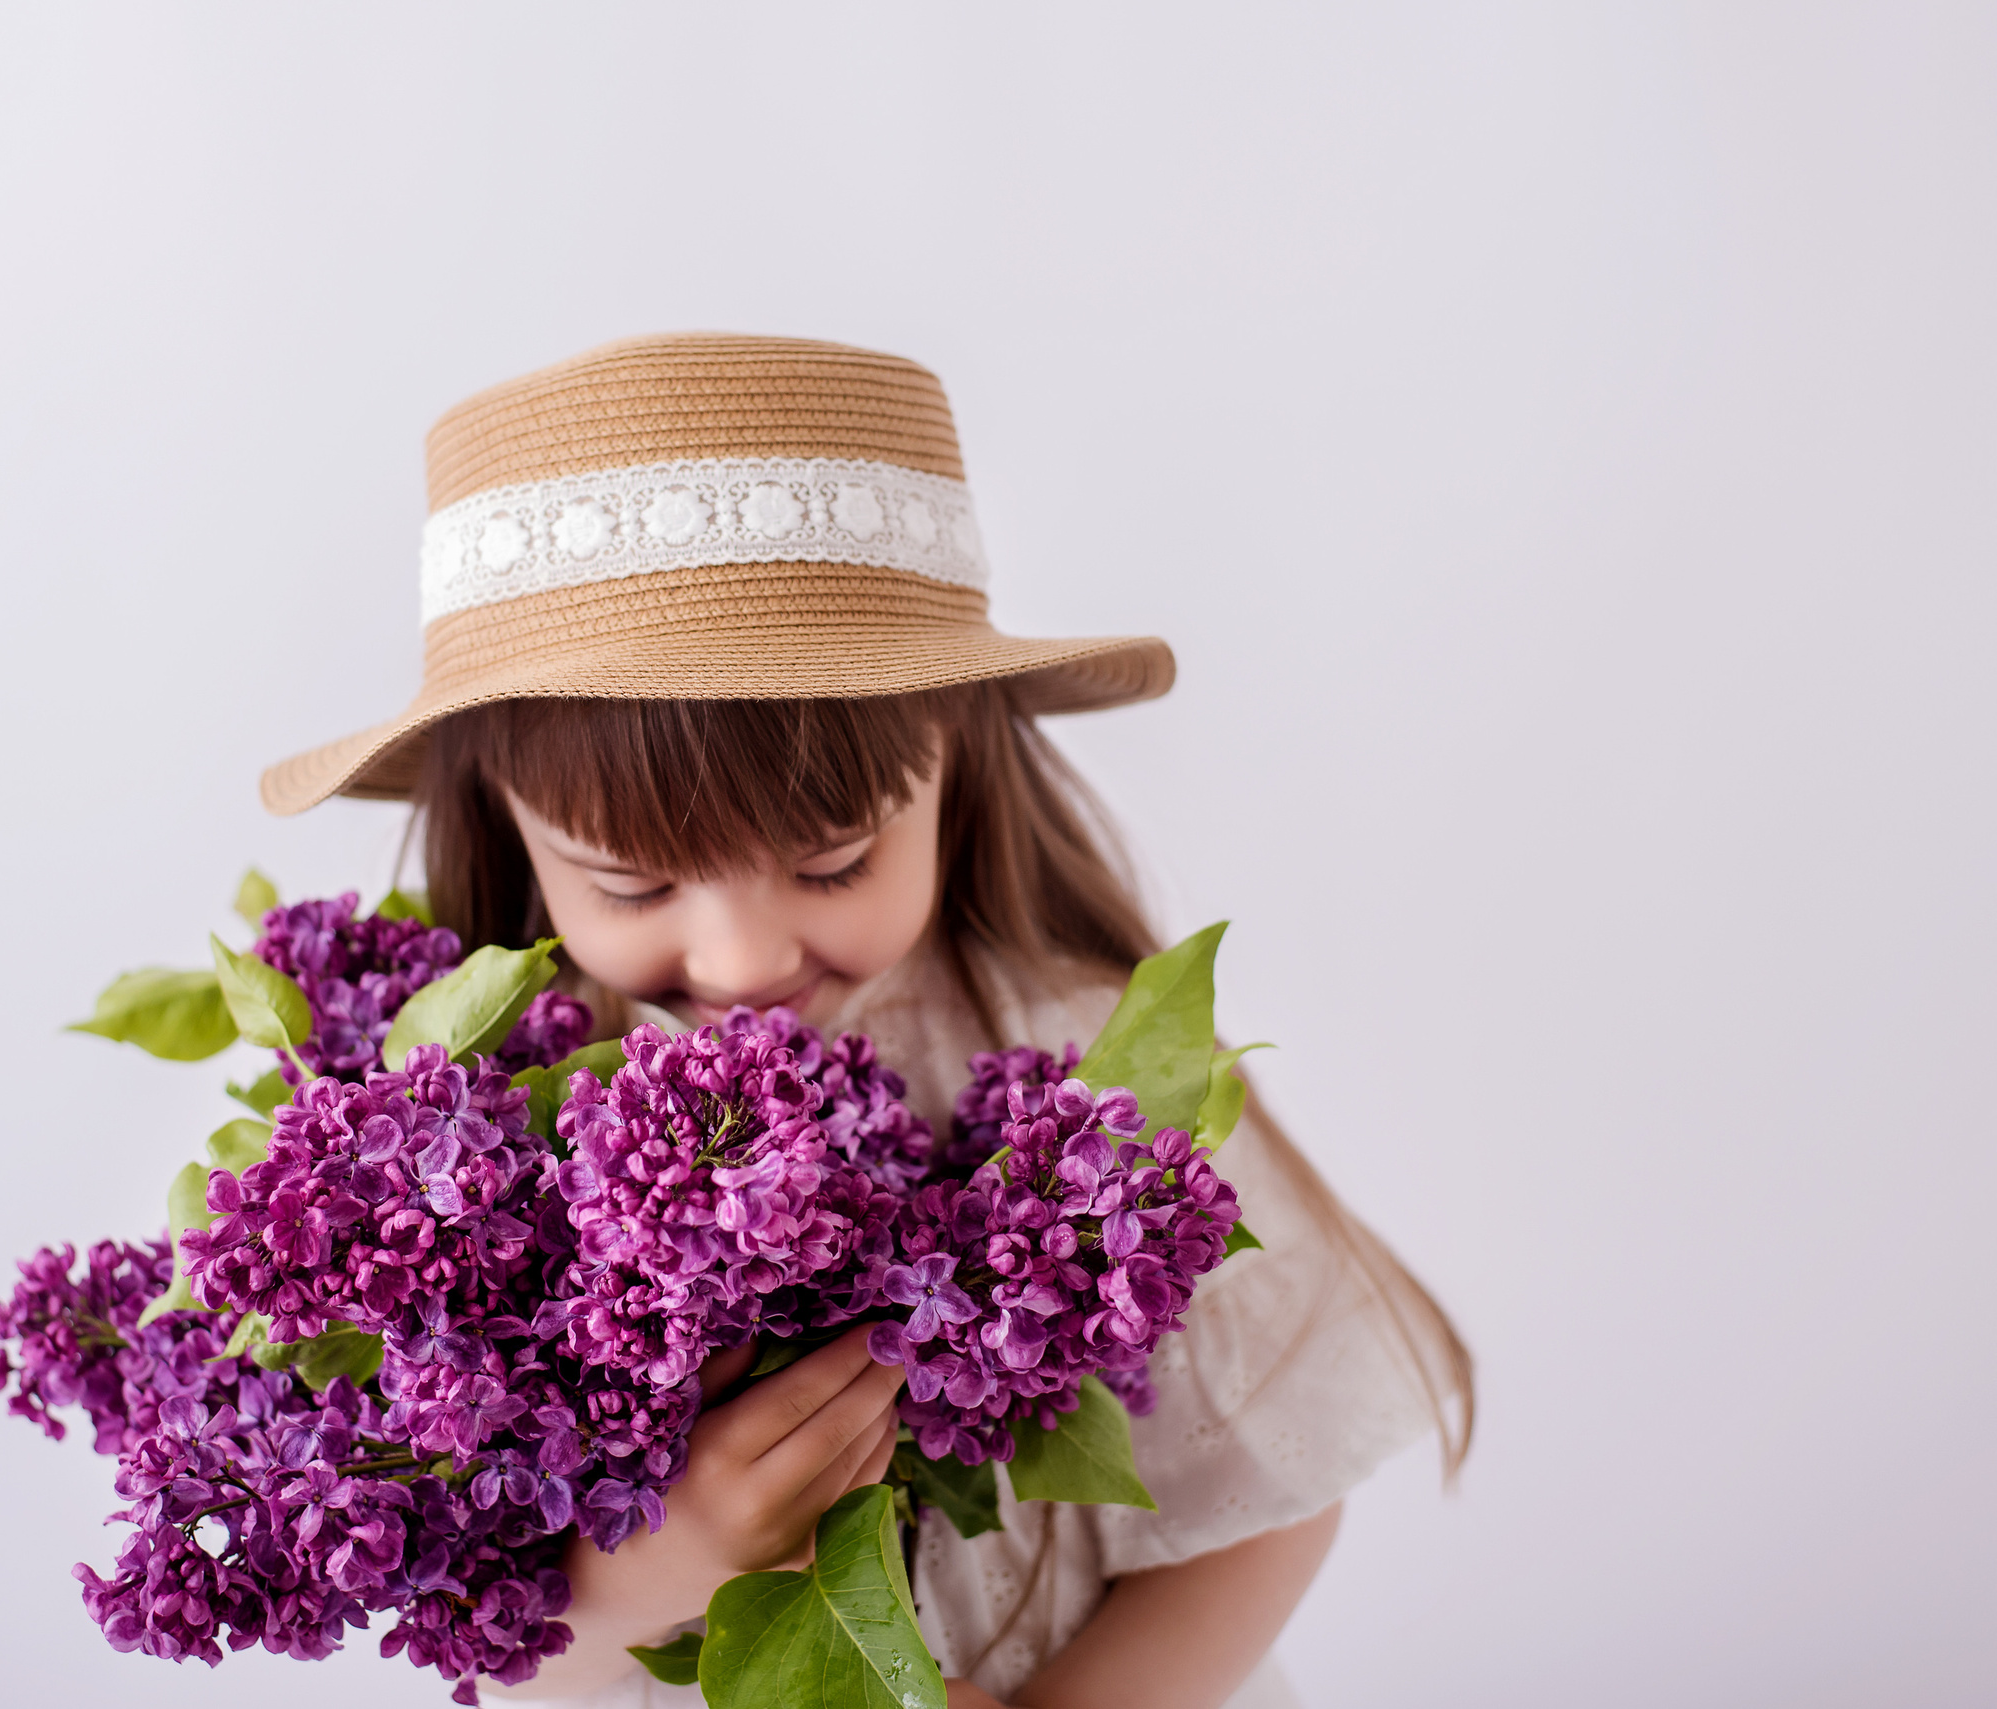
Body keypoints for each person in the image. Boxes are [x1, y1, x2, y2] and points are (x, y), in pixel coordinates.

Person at [258, 333, 1475, 1709]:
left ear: (959, 764)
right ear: (511, 835)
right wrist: (648, 1578)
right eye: (634, 880)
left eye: (833, 861)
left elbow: (1270, 1489)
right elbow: (475, 1614)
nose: (744, 952)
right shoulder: (463, 1139)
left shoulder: (1081, 1076)